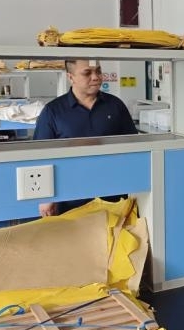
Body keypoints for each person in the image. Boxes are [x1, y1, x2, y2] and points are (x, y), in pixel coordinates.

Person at [33, 59, 138, 216]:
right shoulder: (53, 112)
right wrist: (46, 197)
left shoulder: (115, 106)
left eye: (98, 71)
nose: (95, 77)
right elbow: (40, 157)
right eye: (87, 73)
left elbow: (133, 148)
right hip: (71, 198)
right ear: (71, 77)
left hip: (113, 196)